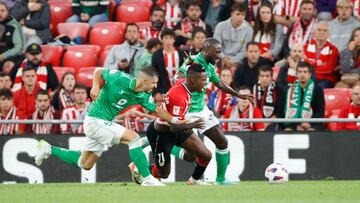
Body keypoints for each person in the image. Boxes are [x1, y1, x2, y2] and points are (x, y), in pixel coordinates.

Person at [34, 66, 187, 187]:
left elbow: (157, 110)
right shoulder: (120, 78)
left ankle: (48, 149)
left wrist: (175, 120)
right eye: (153, 83)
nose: (155, 87)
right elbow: (99, 71)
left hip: (102, 124)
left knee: (85, 163)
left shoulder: (144, 95)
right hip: (94, 120)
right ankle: (147, 178)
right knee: (133, 138)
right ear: (144, 81)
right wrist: (95, 86)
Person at [176, 38, 253, 185]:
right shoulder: (192, 62)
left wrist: (239, 94)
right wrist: (187, 70)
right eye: (216, 52)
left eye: (220, 52)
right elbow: (177, 80)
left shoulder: (210, 66)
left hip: (202, 110)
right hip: (187, 111)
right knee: (191, 155)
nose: (219, 55)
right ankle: (165, 144)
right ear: (205, 50)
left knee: (222, 141)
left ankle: (220, 179)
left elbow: (218, 83)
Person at [133, 63, 212, 185]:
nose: (205, 83)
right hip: (162, 133)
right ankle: (140, 169)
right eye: (203, 80)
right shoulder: (179, 96)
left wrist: (188, 63)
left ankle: (194, 180)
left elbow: (176, 77)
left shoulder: (184, 83)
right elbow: (173, 126)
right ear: (192, 80)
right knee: (164, 174)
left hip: (179, 126)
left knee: (204, 155)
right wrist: (192, 125)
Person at [284, 62, 325, 131]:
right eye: (300, 72)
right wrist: (298, 124)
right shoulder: (290, 90)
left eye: (305, 72)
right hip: (294, 123)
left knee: (311, 130)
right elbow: (286, 111)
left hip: (313, 123)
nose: (302, 74)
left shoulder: (318, 90)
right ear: (296, 74)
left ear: (309, 74)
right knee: (288, 130)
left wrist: (309, 123)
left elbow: (320, 111)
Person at [304, 21, 339, 88]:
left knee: (317, 87)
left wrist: (311, 66)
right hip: (308, 77)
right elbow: (304, 65)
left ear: (328, 34)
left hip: (325, 79)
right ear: (314, 33)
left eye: (325, 30)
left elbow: (328, 68)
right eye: (319, 30)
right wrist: (320, 64)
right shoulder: (305, 47)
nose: (322, 32)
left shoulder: (333, 49)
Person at [152, 28, 185, 94]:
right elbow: (154, 74)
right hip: (163, 91)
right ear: (162, 40)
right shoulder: (157, 55)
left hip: (180, 89)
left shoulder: (181, 53)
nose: (168, 41)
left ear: (174, 39)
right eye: (166, 38)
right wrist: (156, 92)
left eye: (170, 38)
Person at [0, 2, 25, 74]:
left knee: (8, 68)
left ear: (7, 12)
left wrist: (3, 56)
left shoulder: (14, 26)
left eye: (2, 11)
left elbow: (18, 48)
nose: (0, 13)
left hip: (11, 57)